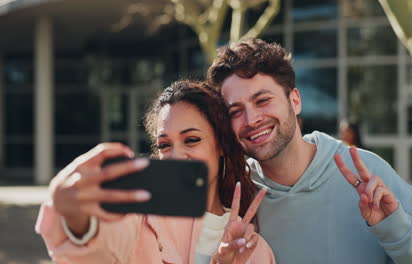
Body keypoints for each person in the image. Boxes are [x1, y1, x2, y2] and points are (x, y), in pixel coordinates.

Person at [207, 39, 412, 263]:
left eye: (262, 100)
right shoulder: (234, 194)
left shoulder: (365, 173)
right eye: (236, 111)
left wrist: (396, 228)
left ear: (295, 101)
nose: (251, 119)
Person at [35, 81, 276, 263]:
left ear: (221, 145)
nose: (176, 156)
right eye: (164, 144)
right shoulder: (138, 217)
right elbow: (99, 249)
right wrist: (78, 220)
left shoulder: (255, 249)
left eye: (191, 140)